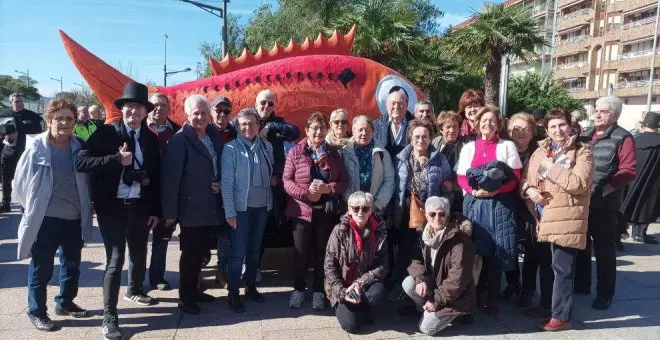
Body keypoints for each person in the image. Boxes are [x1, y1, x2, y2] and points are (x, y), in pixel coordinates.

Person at [75, 82, 161, 340]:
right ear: (122, 109)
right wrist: (116, 160)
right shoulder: (107, 133)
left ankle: (134, 289)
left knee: (138, 251)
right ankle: (109, 316)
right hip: (111, 208)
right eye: (128, 106)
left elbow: (155, 176)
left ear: (146, 112)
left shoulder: (149, 138)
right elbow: (81, 161)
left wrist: (155, 209)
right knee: (115, 260)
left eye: (137, 107)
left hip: (138, 207)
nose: (132, 111)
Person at [13, 98, 93, 332]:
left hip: (74, 218)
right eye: (59, 118)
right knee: (42, 267)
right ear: (49, 120)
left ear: (75, 121)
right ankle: (37, 311)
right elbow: (19, 183)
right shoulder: (37, 147)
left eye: (69, 118)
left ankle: (65, 303)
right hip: (45, 219)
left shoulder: (80, 146)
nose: (64, 123)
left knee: (72, 265)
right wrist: (31, 207)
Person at [521, 108, 593, 331]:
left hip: (566, 217)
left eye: (561, 125)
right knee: (547, 265)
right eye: (552, 126)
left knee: (563, 269)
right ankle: (547, 306)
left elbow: (579, 183)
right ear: (546, 129)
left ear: (570, 126)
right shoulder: (540, 151)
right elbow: (526, 177)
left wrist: (552, 169)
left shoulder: (582, 153)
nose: (557, 130)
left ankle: (561, 316)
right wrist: (529, 191)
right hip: (542, 217)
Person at [456, 105, 522, 315]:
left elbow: (515, 178)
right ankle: (474, 294)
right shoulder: (468, 148)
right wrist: (474, 193)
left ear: (498, 125)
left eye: (492, 121)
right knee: (474, 251)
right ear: (477, 124)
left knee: (496, 253)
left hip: (500, 205)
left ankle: (493, 297)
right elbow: (461, 177)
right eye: (484, 121)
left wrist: (497, 191)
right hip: (475, 205)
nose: (488, 124)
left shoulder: (507, 147)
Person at [161, 95, 224, 314]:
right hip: (190, 208)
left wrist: (220, 183)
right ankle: (185, 296)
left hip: (209, 205)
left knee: (201, 251)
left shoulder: (212, 135)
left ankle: (195, 290)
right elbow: (171, 180)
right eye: (195, 113)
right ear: (187, 115)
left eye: (204, 113)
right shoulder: (179, 141)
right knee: (190, 253)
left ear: (209, 115)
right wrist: (170, 214)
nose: (200, 117)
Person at [575, 96, 636, 310]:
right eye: (597, 110)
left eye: (604, 111)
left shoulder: (623, 137)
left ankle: (605, 293)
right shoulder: (586, 135)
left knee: (603, 250)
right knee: (581, 245)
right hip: (583, 201)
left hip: (605, 204)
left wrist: (608, 189)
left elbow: (628, 170)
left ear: (615, 115)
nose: (598, 114)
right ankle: (581, 284)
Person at [283, 111, 348, 310]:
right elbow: (286, 181)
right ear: (307, 130)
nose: (318, 131)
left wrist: (328, 189)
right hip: (302, 211)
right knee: (300, 253)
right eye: (314, 128)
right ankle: (298, 289)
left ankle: (319, 291)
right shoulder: (296, 152)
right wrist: (306, 194)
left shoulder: (333, 153)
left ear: (326, 130)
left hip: (326, 212)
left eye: (322, 128)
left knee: (323, 253)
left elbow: (343, 181)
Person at [390, 119, 454, 299]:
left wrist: (442, 208)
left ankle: (424, 285)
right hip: (406, 210)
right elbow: (396, 186)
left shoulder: (440, 160)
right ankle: (400, 285)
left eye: (425, 136)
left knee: (425, 248)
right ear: (410, 138)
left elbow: (448, 188)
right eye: (416, 136)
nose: (420, 140)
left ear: (431, 138)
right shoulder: (400, 159)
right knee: (405, 248)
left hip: (430, 212)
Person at [221, 107, 274, 313]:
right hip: (240, 210)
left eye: (252, 124)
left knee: (254, 251)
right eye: (243, 124)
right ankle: (233, 292)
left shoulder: (266, 147)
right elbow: (226, 183)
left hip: (261, 207)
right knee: (238, 253)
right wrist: (229, 212)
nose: (248, 127)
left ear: (258, 125)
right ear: (237, 127)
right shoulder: (231, 149)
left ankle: (250, 286)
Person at [401, 196, 477, 335]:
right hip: (436, 286)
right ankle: (425, 310)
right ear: (426, 215)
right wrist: (420, 279)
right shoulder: (424, 234)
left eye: (442, 214)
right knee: (409, 283)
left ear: (447, 215)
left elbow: (457, 280)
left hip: (457, 296)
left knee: (426, 328)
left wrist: (436, 301)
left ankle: (461, 313)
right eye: (432, 214)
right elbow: (415, 260)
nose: (437, 218)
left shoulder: (460, 241)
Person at [501, 112, 548, 310]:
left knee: (532, 249)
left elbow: (547, 172)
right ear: (509, 131)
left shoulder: (541, 151)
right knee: (508, 246)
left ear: (533, 132)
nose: (520, 133)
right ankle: (513, 284)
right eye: (515, 129)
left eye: (525, 129)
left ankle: (528, 290)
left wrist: (531, 187)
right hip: (506, 202)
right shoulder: (503, 148)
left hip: (531, 205)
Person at [252, 89, 300, 281]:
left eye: (270, 104)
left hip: (273, 186)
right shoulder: (246, 118)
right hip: (252, 185)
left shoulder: (277, 123)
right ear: (256, 103)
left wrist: (270, 126)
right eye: (263, 102)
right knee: (254, 228)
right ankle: (252, 266)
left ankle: (257, 265)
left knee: (266, 226)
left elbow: (295, 131)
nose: (266, 106)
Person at [324, 191, 389, 334]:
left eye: (365, 208)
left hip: (363, 283)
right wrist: (342, 291)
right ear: (349, 209)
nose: (360, 212)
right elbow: (329, 266)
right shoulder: (339, 231)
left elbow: (383, 265)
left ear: (371, 210)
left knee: (379, 293)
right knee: (351, 326)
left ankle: (361, 306)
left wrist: (360, 283)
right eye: (356, 208)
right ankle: (346, 306)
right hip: (342, 285)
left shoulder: (379, 231)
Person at [145, 93, 181, 291]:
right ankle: (134, 283)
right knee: (139, 242)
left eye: (163, 105)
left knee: (162, 239)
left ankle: (157, 277)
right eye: (155, 105)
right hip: (143, 194)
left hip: (168, 193)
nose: (159, 108)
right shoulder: (139, 128)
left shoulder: (177, 132)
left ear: (169, 108)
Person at [341, 115, 394, 214]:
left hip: (375, 209)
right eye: (360, 130)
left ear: (373, 132)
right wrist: (354, 204)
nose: (364, 133)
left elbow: (389, 181)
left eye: (368, 130)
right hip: (351, 209)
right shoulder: (344, 153)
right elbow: (341, 180)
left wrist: (376, 205)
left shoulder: (382, 153)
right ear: (353, 131)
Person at [0, 92, 44, 212]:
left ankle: (24, 204)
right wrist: (6, 134)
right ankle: (5, 203)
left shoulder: (32, 116)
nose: (20, 103)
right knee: (6, 178)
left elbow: (39, 135)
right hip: (8, 152)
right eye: (17, 101)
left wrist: (19, 135)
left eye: (21, 101)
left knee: (25, 179)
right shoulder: (3, 115)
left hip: (25, 153)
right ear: (10, 103)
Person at [621, 111, 660, 245]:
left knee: (633, 201)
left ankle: (633, 232)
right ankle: (640, 233)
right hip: (652, 181)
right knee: (647, 205)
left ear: (644, 125)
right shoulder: (658, 142)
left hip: (633, 179)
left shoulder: (635, 140)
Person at [209, 95, 236, 287]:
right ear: (211, 112)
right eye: (218, 110)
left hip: (228, 194)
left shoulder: (235, 133)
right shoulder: (203, 132)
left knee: (226, 235)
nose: (222, 115)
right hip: (207, 193)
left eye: (226, 111)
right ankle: (193, 278)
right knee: (202, 236)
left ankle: (221, 271)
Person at [374, 89, 416, 160]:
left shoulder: (416, 126)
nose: (396, 107)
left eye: (401, 103)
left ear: (407, 105)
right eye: (393, 103)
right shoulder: (375, 126)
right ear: (386, 104)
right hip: (383, 169)